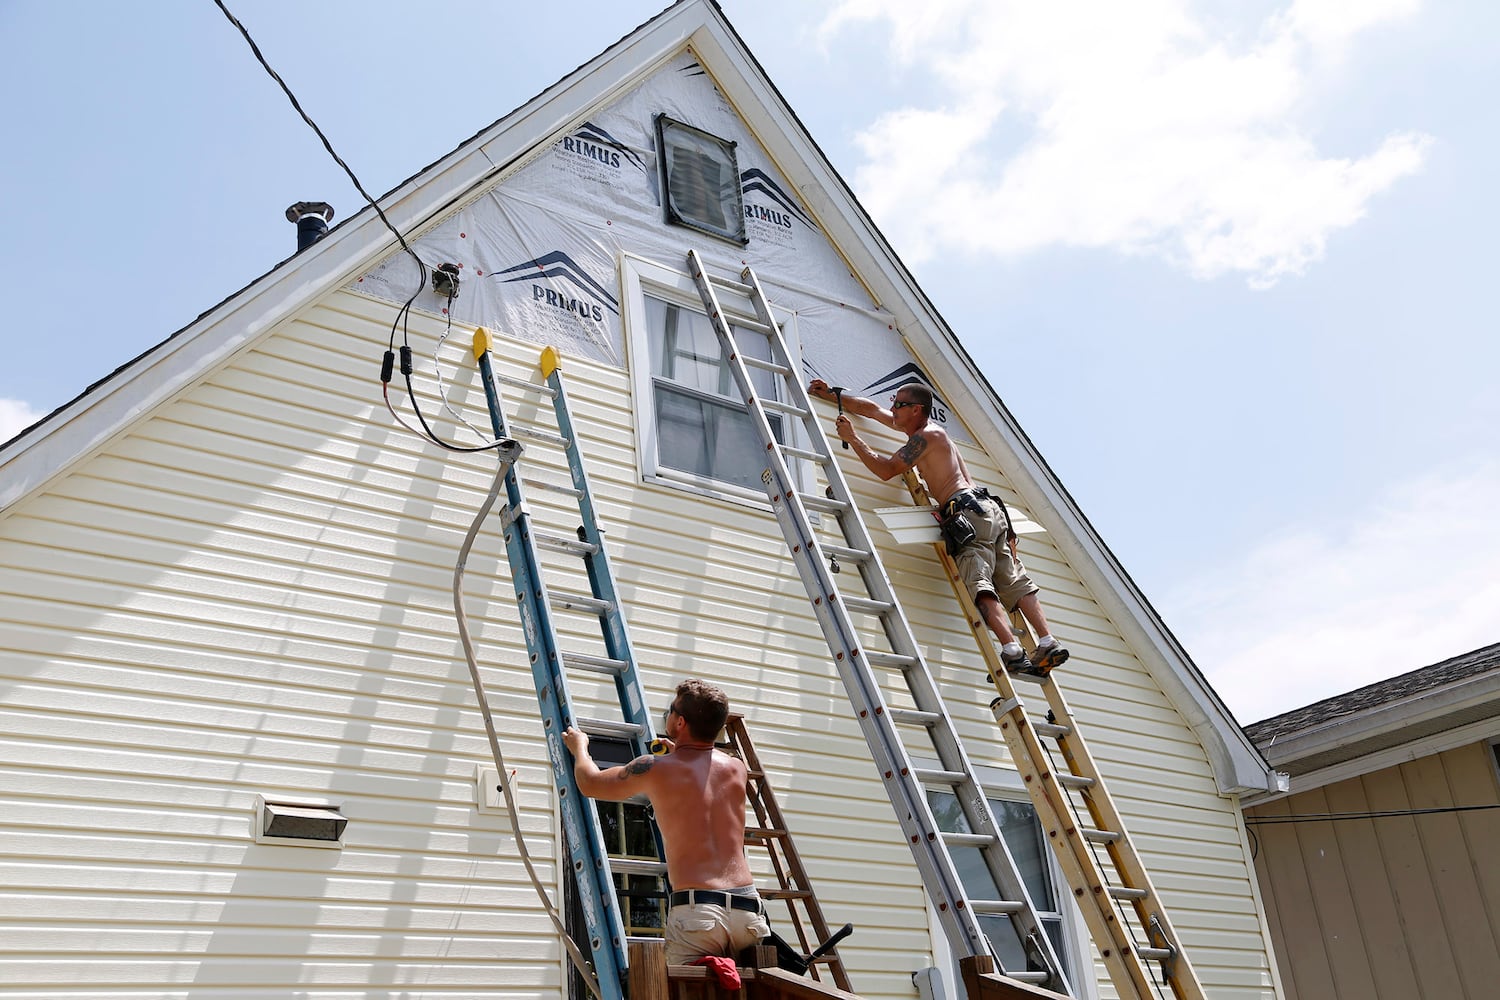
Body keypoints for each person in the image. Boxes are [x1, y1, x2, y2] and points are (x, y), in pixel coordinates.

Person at [807, 378, 1069, 676]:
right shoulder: (928, 432)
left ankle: (1011, 649)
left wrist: (853, 438)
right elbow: (872, 410)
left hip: (966, 513)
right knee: (1012, 579)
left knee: (979, 581)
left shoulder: (925, 437)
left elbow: (886, 470)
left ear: (917, 410)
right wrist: (833, 395)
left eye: (899, 404)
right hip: (989, 511)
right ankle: (1047, 641)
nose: (892, 408)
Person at [563, 679, 769, 965]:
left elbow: (590, 784)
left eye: (671, 710)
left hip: (700, 913)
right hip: (747, 911)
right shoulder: (736, 768)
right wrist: (678, 751)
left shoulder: (655, 767)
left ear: (681, 722)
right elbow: (700, 771)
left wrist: (580, 748)